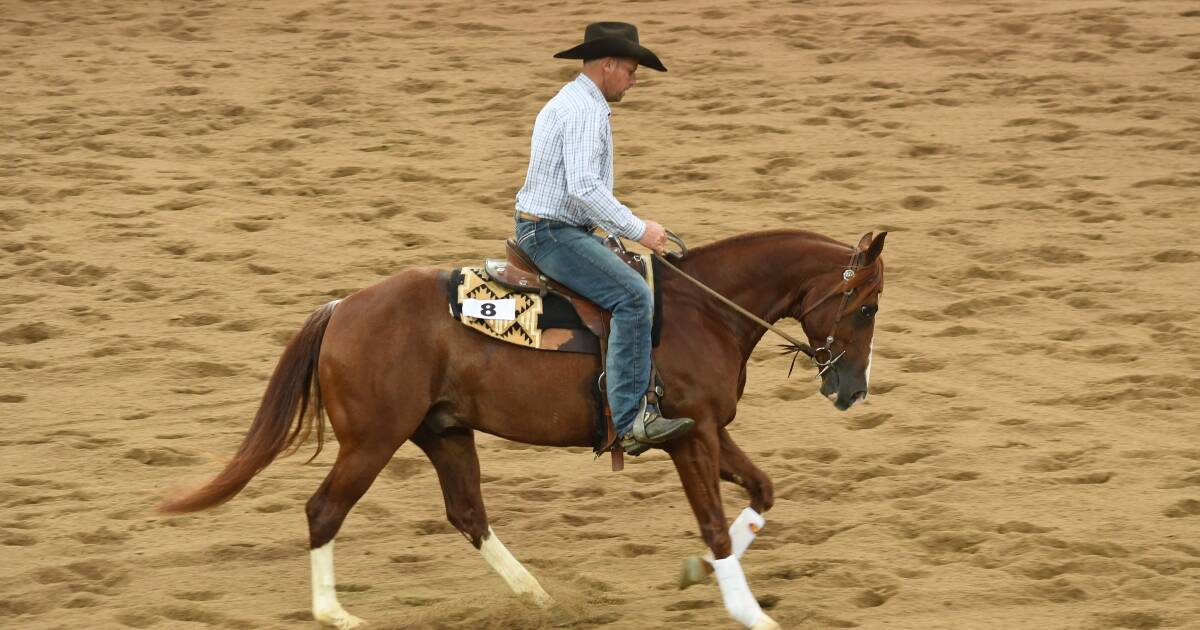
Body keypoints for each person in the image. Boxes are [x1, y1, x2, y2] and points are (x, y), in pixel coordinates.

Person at [513, 22, 694, 455]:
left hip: (555, 226)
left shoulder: (575, 101)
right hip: (551, 233)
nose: (634, 81)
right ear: (607, 64)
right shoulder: (583, 111)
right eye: (631, 71)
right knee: (633, 297)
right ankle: (632, 420)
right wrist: (640, 230)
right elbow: (584, 188)